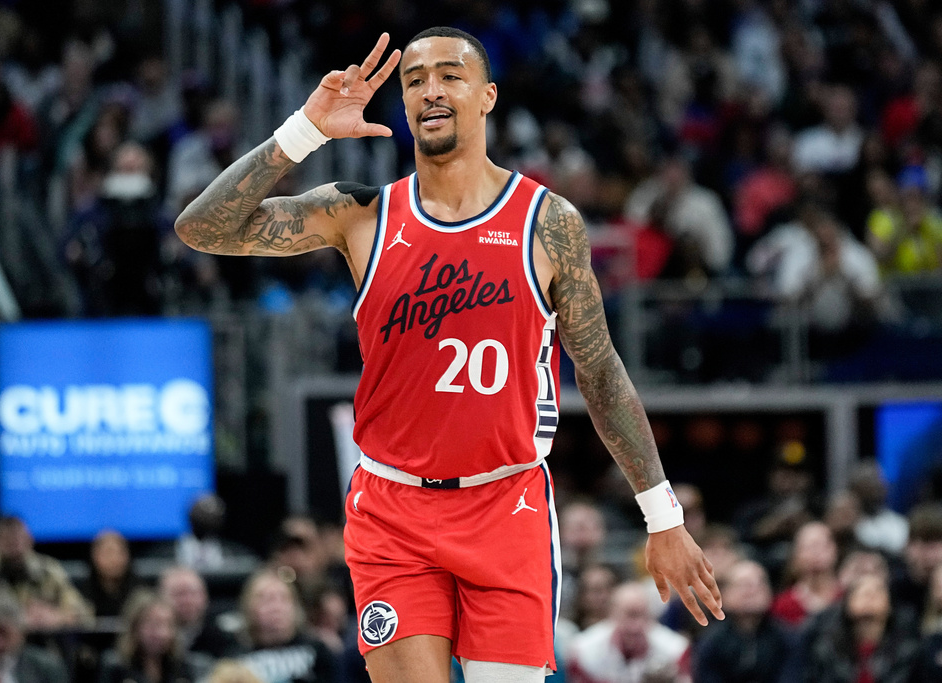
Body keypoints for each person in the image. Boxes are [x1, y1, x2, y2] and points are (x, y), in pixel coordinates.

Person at [174, 27, 722, 683]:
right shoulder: (361, 212)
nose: (430, 89)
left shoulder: (547, 222)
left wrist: (662, 518)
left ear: (487, 96)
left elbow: (600, 371)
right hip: (392, 509)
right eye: (413, 79)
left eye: (449, 75)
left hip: (506, 503)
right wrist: (306, 130)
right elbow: (201, 227)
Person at [0, 516, 92, 636]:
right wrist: (21, 620)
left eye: (20, 539)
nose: (15, 546)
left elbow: (84, 615)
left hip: (41, 649)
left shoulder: (47, 570)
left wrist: (56, 617)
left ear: (30, 541)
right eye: (8, 540)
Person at [564, 581, 690, 683]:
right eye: (630, 615)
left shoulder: (675, 650)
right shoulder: (584, 650)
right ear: (612, 615)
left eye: (643, 615)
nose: (636, 626)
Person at [691, 560, 795, 683]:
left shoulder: (787, 639)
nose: (751, 592)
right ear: (724, 593)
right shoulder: (711, 642)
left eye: (758, 584)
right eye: (743, 585)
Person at [98, 592, 210, 683]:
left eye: (168, 625)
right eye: (154, 625)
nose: (163, 633)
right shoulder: (114, 667)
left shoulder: (183, 668)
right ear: (135, 627)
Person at [158, 566, 239, 659]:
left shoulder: (222, 637)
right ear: (160, 597)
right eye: (179, 594)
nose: (187, 601)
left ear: (205, 597)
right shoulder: (150, 639)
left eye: (193, 593)